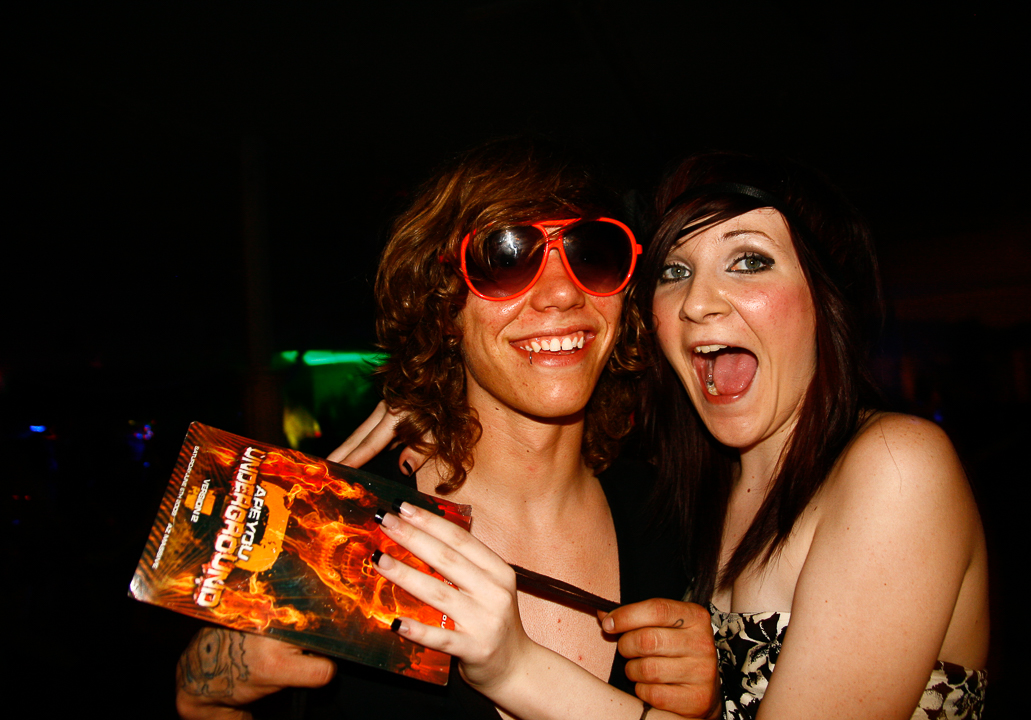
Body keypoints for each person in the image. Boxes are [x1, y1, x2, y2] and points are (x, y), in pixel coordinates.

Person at [364, 152, 989, 720]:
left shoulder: (895, 467)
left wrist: (517, 669)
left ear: (829, 298)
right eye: (675, 270)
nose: (698, 303)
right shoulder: (693, 505)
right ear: (440, 305)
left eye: (749, 261)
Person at [175, 137, 719, 720]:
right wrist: (202, 690)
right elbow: (214, 696)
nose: (563, 293)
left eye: (593, 255)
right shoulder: (342, 523)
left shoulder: (673, 516)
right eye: (505, 259)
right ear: (443, 306)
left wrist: (708, 710)